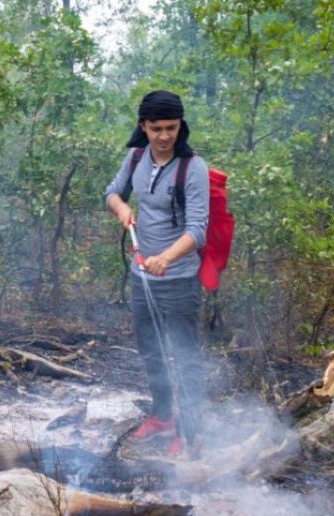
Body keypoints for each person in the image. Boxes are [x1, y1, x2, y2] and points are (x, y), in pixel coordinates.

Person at [104, 90, 208, 457]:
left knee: (185, 356)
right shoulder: (135, 158)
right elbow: (112, 192)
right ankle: (163, 416)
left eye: (172, 128)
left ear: (181, 126)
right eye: (157, 128)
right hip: (141, 276)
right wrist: (121, 209)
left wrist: (166, 257)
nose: (165, 136)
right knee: (151, 351)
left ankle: (190, 432)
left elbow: (197, 230)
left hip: (178, 279)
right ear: (143, 127)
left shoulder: (193, 167)